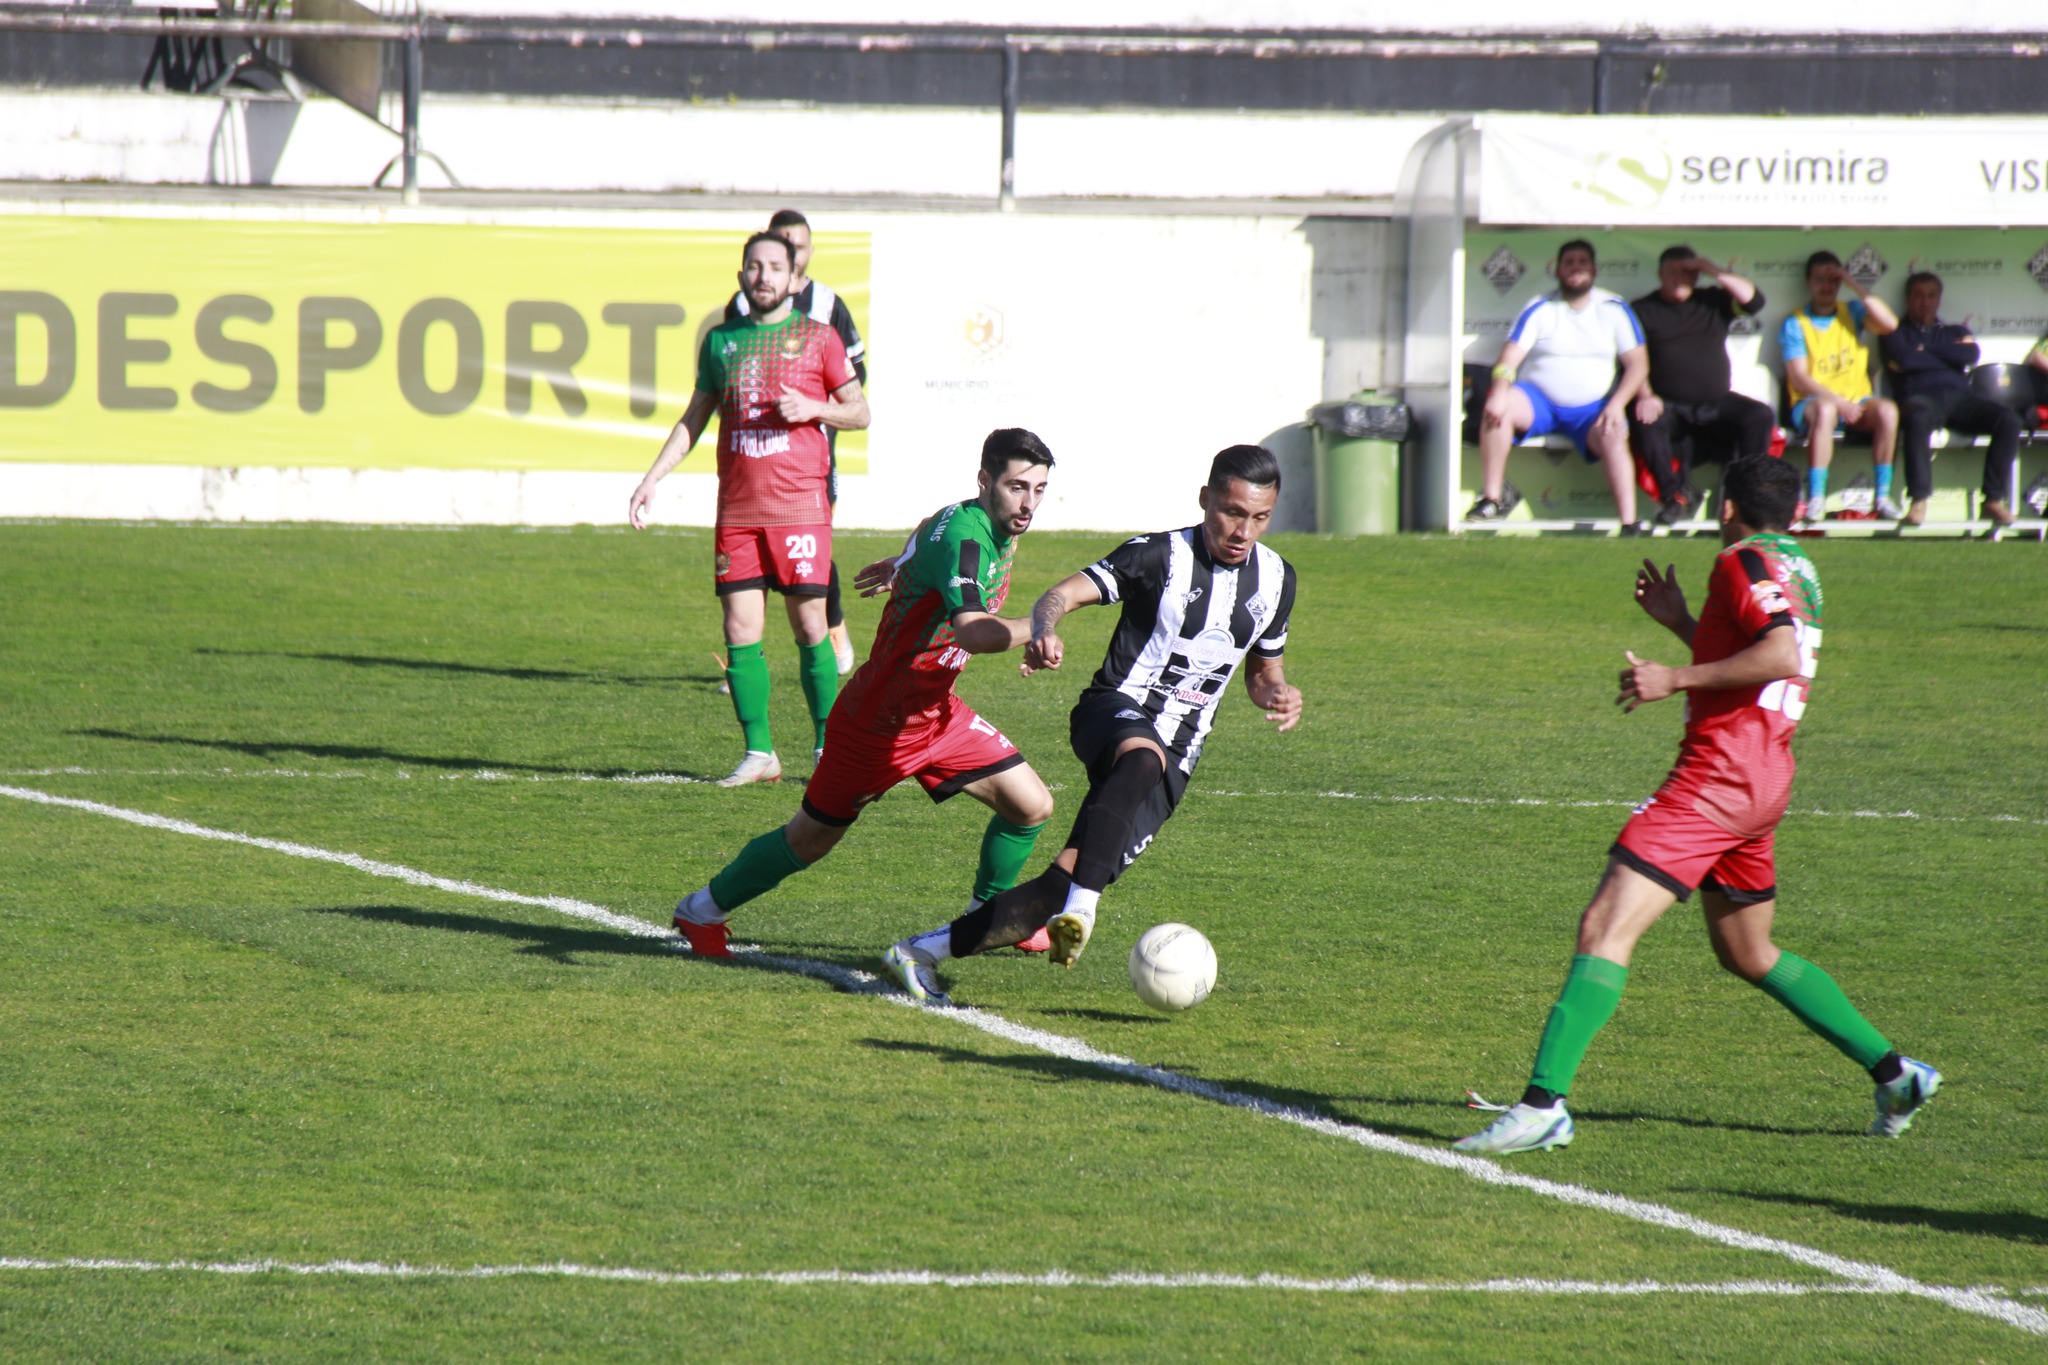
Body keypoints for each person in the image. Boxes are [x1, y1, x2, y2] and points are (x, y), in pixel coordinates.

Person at [1455, 456, 1940, 1155]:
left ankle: (1543, 1104)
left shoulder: (1739, 561)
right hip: (1767, 772)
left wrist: (1674, 676)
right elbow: (1765, 654)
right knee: (1748, 950)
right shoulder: (1798, 566)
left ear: (1727, 508)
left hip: (1719, 776)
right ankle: (1897, 1074)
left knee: (1604, 926)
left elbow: (1777, 656)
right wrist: (1684, 622)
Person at [881, 444, 1303, 1005]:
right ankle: (1085, 908)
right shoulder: (1156, 556)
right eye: (1231, 511)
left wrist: (1278, 692)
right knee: (1139, 760)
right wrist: (1043, 626)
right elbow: (1061, 595)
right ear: (1205, 500)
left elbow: (1261, 672)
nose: (1242, 530)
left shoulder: (1277, 580)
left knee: (1062, 882)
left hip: (1181, 752)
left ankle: (922, 950)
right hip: (1113, 710)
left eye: (1259, 517)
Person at [671, 429, 1060, 959]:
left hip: (936, 714)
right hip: (878, 724)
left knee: (1031, 805)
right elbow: (973, 630)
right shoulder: (966, 540)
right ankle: (700, 911)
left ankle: (987, 917)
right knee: (810, 839)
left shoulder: (974, 519)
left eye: (1039, 489)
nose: (1028, 503)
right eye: (1018, 487)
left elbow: (927, 529)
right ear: (985, 480)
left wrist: (900, 563)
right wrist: (1038, 624)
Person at [630, 232, 869, 787]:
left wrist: (814, 406)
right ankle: (760, 754)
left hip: (801, 508)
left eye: (774, 267)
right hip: (738, 510)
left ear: (792, 279)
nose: (763, 276)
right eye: (754, 267)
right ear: (742, 276)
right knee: (739, 626)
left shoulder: (819, 338)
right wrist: (651, 479)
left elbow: (860, 411)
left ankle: (827, 746)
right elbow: (694, 418)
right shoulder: (720, 342)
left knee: (811, 625)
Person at [725, 208, 870, 673]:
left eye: (799, 246)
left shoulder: (827, 307)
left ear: (805, 254)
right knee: (750, 568)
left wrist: (812, 405)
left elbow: (855, 379)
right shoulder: (740, 307)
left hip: (809, 458)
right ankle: (749, 657)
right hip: (749, 468)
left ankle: (833, 628)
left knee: (811, 555)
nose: (791, 254)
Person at [1467, 239, 1651, 533]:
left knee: (1615, 431)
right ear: (1557, 270)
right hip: (1540, 402)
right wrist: (1499, 392)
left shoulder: (1614, 309)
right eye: (1569, 263)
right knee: (1498, 409)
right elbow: (1508, 359)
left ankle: (1629, 522)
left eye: (1582, 262)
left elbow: (1638, 365)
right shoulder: (1540, 308)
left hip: (1592, 409)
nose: (1575, 268)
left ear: (1593, 269)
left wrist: (1617, 405)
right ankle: (1490, 499)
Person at [1628, 247, 1776, 527]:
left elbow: (1755, 301)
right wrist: (1646, 395)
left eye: (1687, 272)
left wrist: (1712, 268)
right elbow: (1631, 359)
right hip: (1668, 404)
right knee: (1644, 419)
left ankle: (1743, 499)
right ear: (1660, 274)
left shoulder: (1714, 300)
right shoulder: (1642, 310)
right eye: (1672, 272)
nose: (1679, 278)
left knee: (1760, 415)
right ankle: (1674, 497)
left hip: (1717, 402)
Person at [1881, 272, 2019, 528]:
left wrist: (1927, 352)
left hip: (1959, 399)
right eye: (1919, 296)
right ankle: (1919, 501)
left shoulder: (1955, 330)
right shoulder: (1895, 332)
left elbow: (1970, 353)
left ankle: (1992, 500)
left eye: (1931, 296)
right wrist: (1947, 354)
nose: (1925, 302)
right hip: (1920, 398)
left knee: (2008, 419)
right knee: (1918, 415)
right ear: (1908, 298)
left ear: (1939, 299)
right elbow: (1906, 359)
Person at [1779, 251, 1902, 524]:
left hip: (1855, 404)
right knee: (1824, 410)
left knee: (1888, 411)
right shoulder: (1795, 322)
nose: (1827, 286)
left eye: (1832, 280)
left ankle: (1882, 496)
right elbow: (1799, 378)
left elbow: (1889, 324)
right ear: (1808, 283)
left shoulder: (1853, 312)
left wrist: (1852, 282)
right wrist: (1838, 402)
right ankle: (1816, 497)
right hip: (1811, 405)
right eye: (1820, 280)